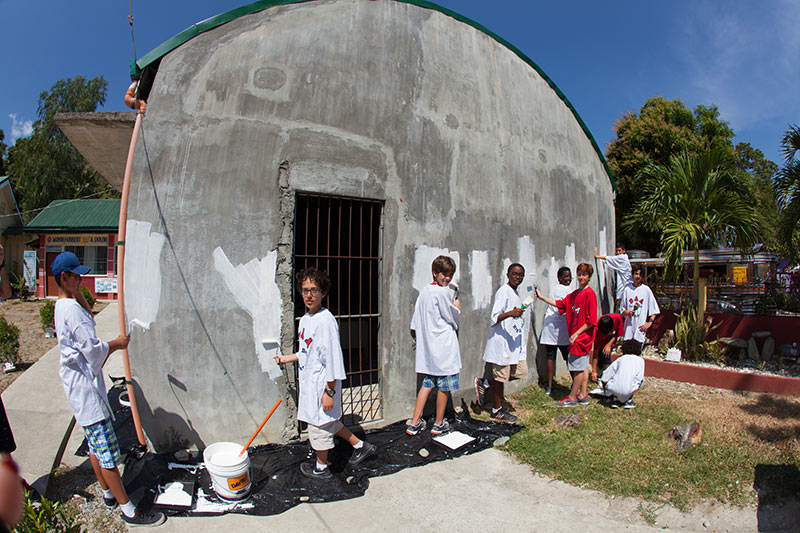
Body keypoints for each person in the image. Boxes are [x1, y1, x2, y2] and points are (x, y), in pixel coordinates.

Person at [53, 251, 165, 527]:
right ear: (63, 277)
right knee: (108, 455)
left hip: (78, 387)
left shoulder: (62, 304)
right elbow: (93, 353)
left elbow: (85, 316)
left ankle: (107, 494)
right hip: (87, 391)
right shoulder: (71, 312)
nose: (81, 280)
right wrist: (118, 343)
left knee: (94, 444)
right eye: (76, 276)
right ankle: (130, 511)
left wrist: (78, 293)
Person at [274, 267, 376, 480]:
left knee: (319, 426)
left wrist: (329, 392)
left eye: (314, 290)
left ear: (323, 293)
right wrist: (286, 358)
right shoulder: (305, 320)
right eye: (305, 290)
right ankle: (361, 446)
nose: (309, 295)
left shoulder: (325, 321)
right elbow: (306, 352)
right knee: (329, 423)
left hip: (322, 386)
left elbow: (333, 360)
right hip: (312, 385)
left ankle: (321, 469)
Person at [407, 256, 461, 436]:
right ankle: (438, 424)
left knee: (427, 384)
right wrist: (457, 307)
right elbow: (451, 317)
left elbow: (415, 323)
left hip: (429, 349)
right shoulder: (442, 292)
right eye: (444, 274)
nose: (447, 279)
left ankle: (415, 422)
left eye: (450, 275)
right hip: (444, 347)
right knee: (444, 386)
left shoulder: (424, 293)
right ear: (435, 273)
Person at [535, 263, 597, 407]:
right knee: (581, 367)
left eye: (584, 275)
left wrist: (576, 334)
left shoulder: (590, 294)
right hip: (576, 337)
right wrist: (542, 298)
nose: (581, 277)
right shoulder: (575, 294)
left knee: (577, 369)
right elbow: (560, 304)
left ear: (589, 277)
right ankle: (582, 394)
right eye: (579, 274)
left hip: (582, 338)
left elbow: (591, 321)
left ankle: (572, 397)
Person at [475, 263, 528, 422]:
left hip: (512, 344)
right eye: (514, 274)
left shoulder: (515, 293)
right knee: (501, 378)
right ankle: (496, 410)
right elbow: (494, 318)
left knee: (520, 372)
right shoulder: (503, 292)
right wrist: (511, 313)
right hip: (501, 344)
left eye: (520, 275)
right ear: (508, 275)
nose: (517, 277)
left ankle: (486, 382)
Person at [538, 266, 572, 395]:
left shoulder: (554, 290)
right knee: (568, 357)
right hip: (561, 327)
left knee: (550, 356)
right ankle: (576, 382)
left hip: (550, 326)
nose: (568, 279)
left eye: (569, 276)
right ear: (559, 278)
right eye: (565, 276)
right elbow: (564, 307)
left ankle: (550, 386)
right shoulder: (568, 290)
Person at [620, 264, 660, 355]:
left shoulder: (646, 290)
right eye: (636, 274)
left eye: (639, 274)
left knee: (637, 354)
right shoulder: (627, 289)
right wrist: (628, 313)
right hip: (629, 328)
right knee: (627, 354)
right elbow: (622, 308)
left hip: (640, 328)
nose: (637, 276)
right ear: (632, 275)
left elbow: (654, 310)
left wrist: (649, 323)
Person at [595, 243, 632, 310]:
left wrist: (597, 256)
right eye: (617, 251)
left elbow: (610, 258)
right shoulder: (624, 259)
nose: (618, 253)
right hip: (625, 287)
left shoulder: (622, 257)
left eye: (619, 251)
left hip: (625, 287)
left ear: (624, 251)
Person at [590, 313, 623, 383]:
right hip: (600, 343)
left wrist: (609, 344)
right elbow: (595, 354)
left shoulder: (617, 318)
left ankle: (608, 377)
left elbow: (617, 335)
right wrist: (594, 371)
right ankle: (600, 373)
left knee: (606, 357)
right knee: (600, 359)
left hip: (611, 341)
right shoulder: (597, 332)